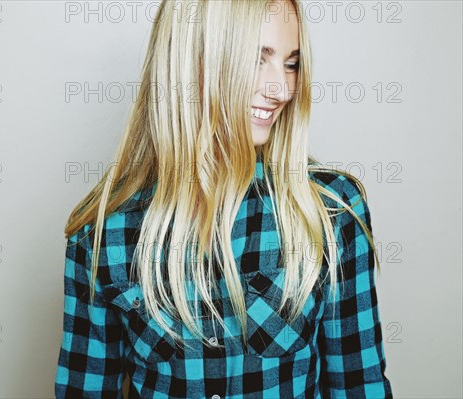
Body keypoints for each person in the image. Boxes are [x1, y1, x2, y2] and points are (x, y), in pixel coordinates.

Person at [55, 0, 393, 397]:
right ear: (190, 61)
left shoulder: (331, 210)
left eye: (291, 63)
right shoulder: (103, 231)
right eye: (257, 58)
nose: (282, 89)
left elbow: (359, 384)